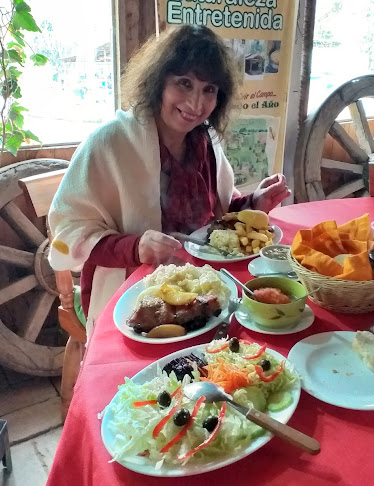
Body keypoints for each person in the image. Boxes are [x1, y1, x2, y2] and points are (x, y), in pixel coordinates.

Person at [48, 24, 290, 329]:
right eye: (184, 83)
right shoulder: (109, 142)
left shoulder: (206, 141)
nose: (196, 104)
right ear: (158, 82)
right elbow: (67, 233)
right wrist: (136, 248)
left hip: (206, 288)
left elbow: (215, 219)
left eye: (209, 90)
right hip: (134, 299)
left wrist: (254, 203)